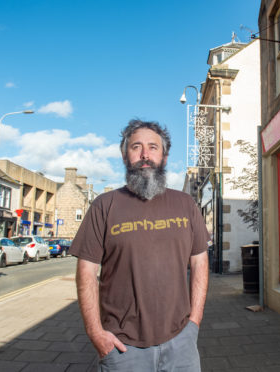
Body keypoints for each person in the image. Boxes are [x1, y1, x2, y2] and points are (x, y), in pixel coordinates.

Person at [69, 119, 209, 372]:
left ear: (164, 157)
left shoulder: (186, 204)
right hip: (123, 348)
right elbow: (86, 272)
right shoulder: (105, 205)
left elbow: (200, 262)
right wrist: (95, 332)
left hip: (181, 343)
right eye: (136, 147)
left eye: (153, 147)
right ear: (125, 156)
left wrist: (194, 323)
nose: (145, 155)